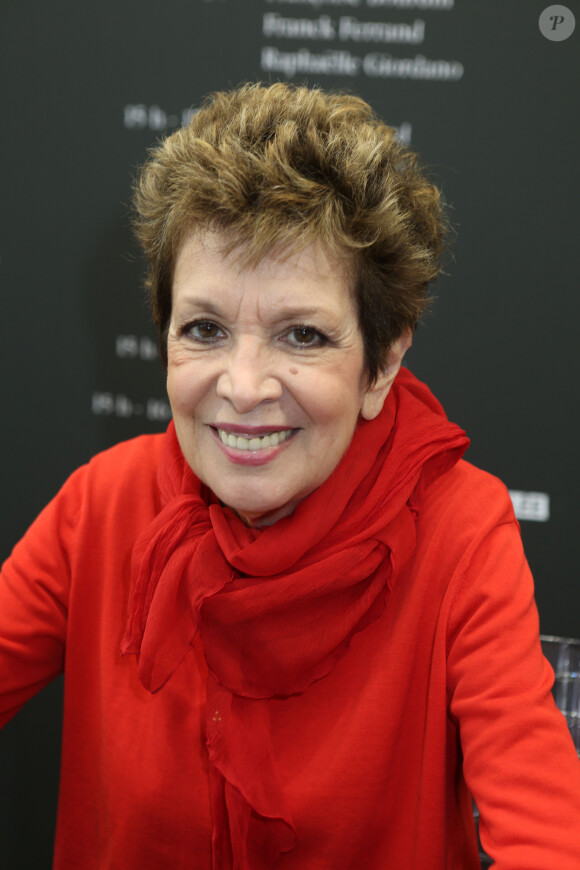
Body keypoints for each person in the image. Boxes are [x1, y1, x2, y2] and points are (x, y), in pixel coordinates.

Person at [1, 82, 579, 870]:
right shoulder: (104, 503)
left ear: (383, 362)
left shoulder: (459, 529)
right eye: (204, 329)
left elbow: (547, 836)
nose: (242, 386)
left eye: (301, 335)